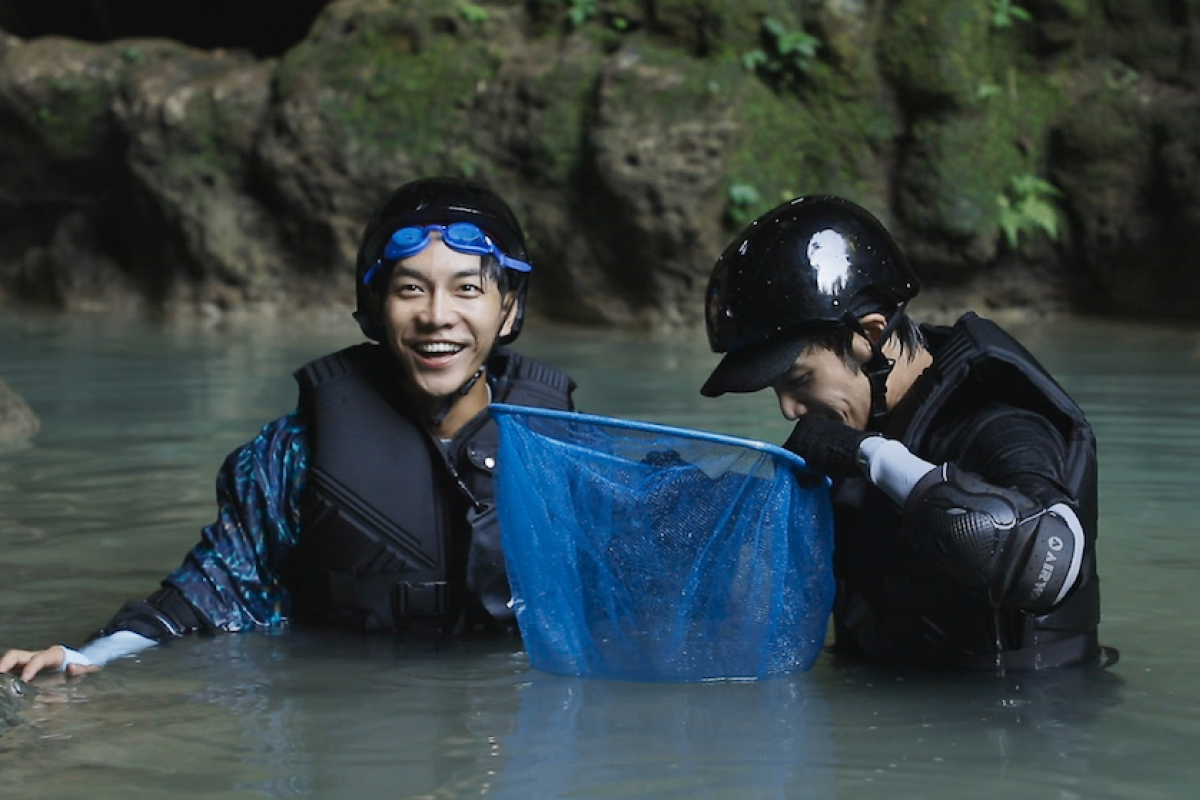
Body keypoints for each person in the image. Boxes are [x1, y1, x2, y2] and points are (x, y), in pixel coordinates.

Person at [1, 176, 577, 680]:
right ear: (375, 307)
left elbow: (632, 591)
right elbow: (214, 590)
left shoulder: (568, 452)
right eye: (410, 288)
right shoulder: (295, 453)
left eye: (467, 288)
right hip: (361, 718)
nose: (436, 315)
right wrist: (92, 656)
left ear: (508, 310)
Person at [699, 194, 1112, 670]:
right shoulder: (852, 432)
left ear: (869, 335)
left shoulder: (1001, 422)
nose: (790, 410)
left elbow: (1049, 560)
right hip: (883, 718)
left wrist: (871, 455)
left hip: (1022, 725)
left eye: (798, 380)